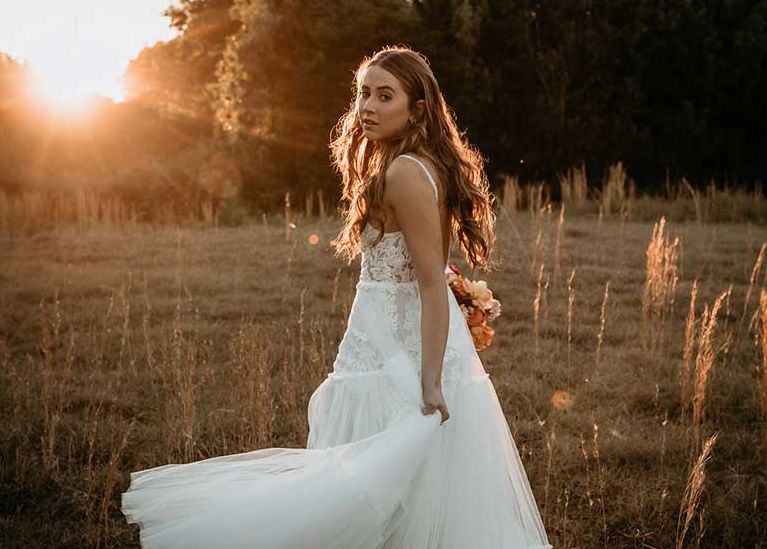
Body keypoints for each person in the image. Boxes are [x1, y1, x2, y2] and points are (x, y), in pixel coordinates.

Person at [121, 45, 552, 549]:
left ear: (416, 109)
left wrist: (430, 382)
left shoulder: (404, 171)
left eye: (384, 96)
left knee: (371, 480)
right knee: (398, 480)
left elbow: (432, 281)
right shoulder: (412, 163)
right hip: (387, 336)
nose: (367, 106)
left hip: (395, 350)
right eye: (363, 93)